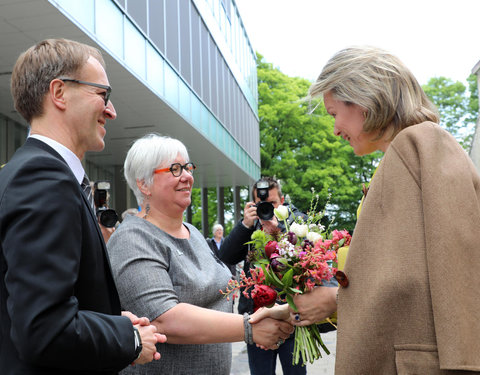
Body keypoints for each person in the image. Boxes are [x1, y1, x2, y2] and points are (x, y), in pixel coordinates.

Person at [262, 46, 480, 374]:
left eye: (334, 112)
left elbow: (460, 264)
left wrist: (335, 300)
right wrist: (318, 303)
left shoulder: (425, 143)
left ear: (365, 98)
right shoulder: (398, 159)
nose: (335, 128)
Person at [0, 38, 166, 374]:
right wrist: (128, 339)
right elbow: (44, 330)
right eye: (102, 94)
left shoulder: (35, 175)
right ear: (59, 92)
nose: (112, 110)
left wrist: (105, 319)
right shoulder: (43, 179)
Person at [107, 134, 293, 374]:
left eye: (187, 167)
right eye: (174, 169)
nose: (187, 176)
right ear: (144, 183)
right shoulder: (132, 239)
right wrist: (249, 327)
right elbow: (164, 318)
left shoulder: (193, 233)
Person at [219, 177, 311, 375]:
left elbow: (308, 256)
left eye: (272, 203)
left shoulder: (296, 222)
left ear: (283, 200)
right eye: (261, 205)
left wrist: (280, 230)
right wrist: (245, 224)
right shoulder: (251, 225)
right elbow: (225, 256)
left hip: (291, 315)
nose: (267, 209)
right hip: (256, 317)